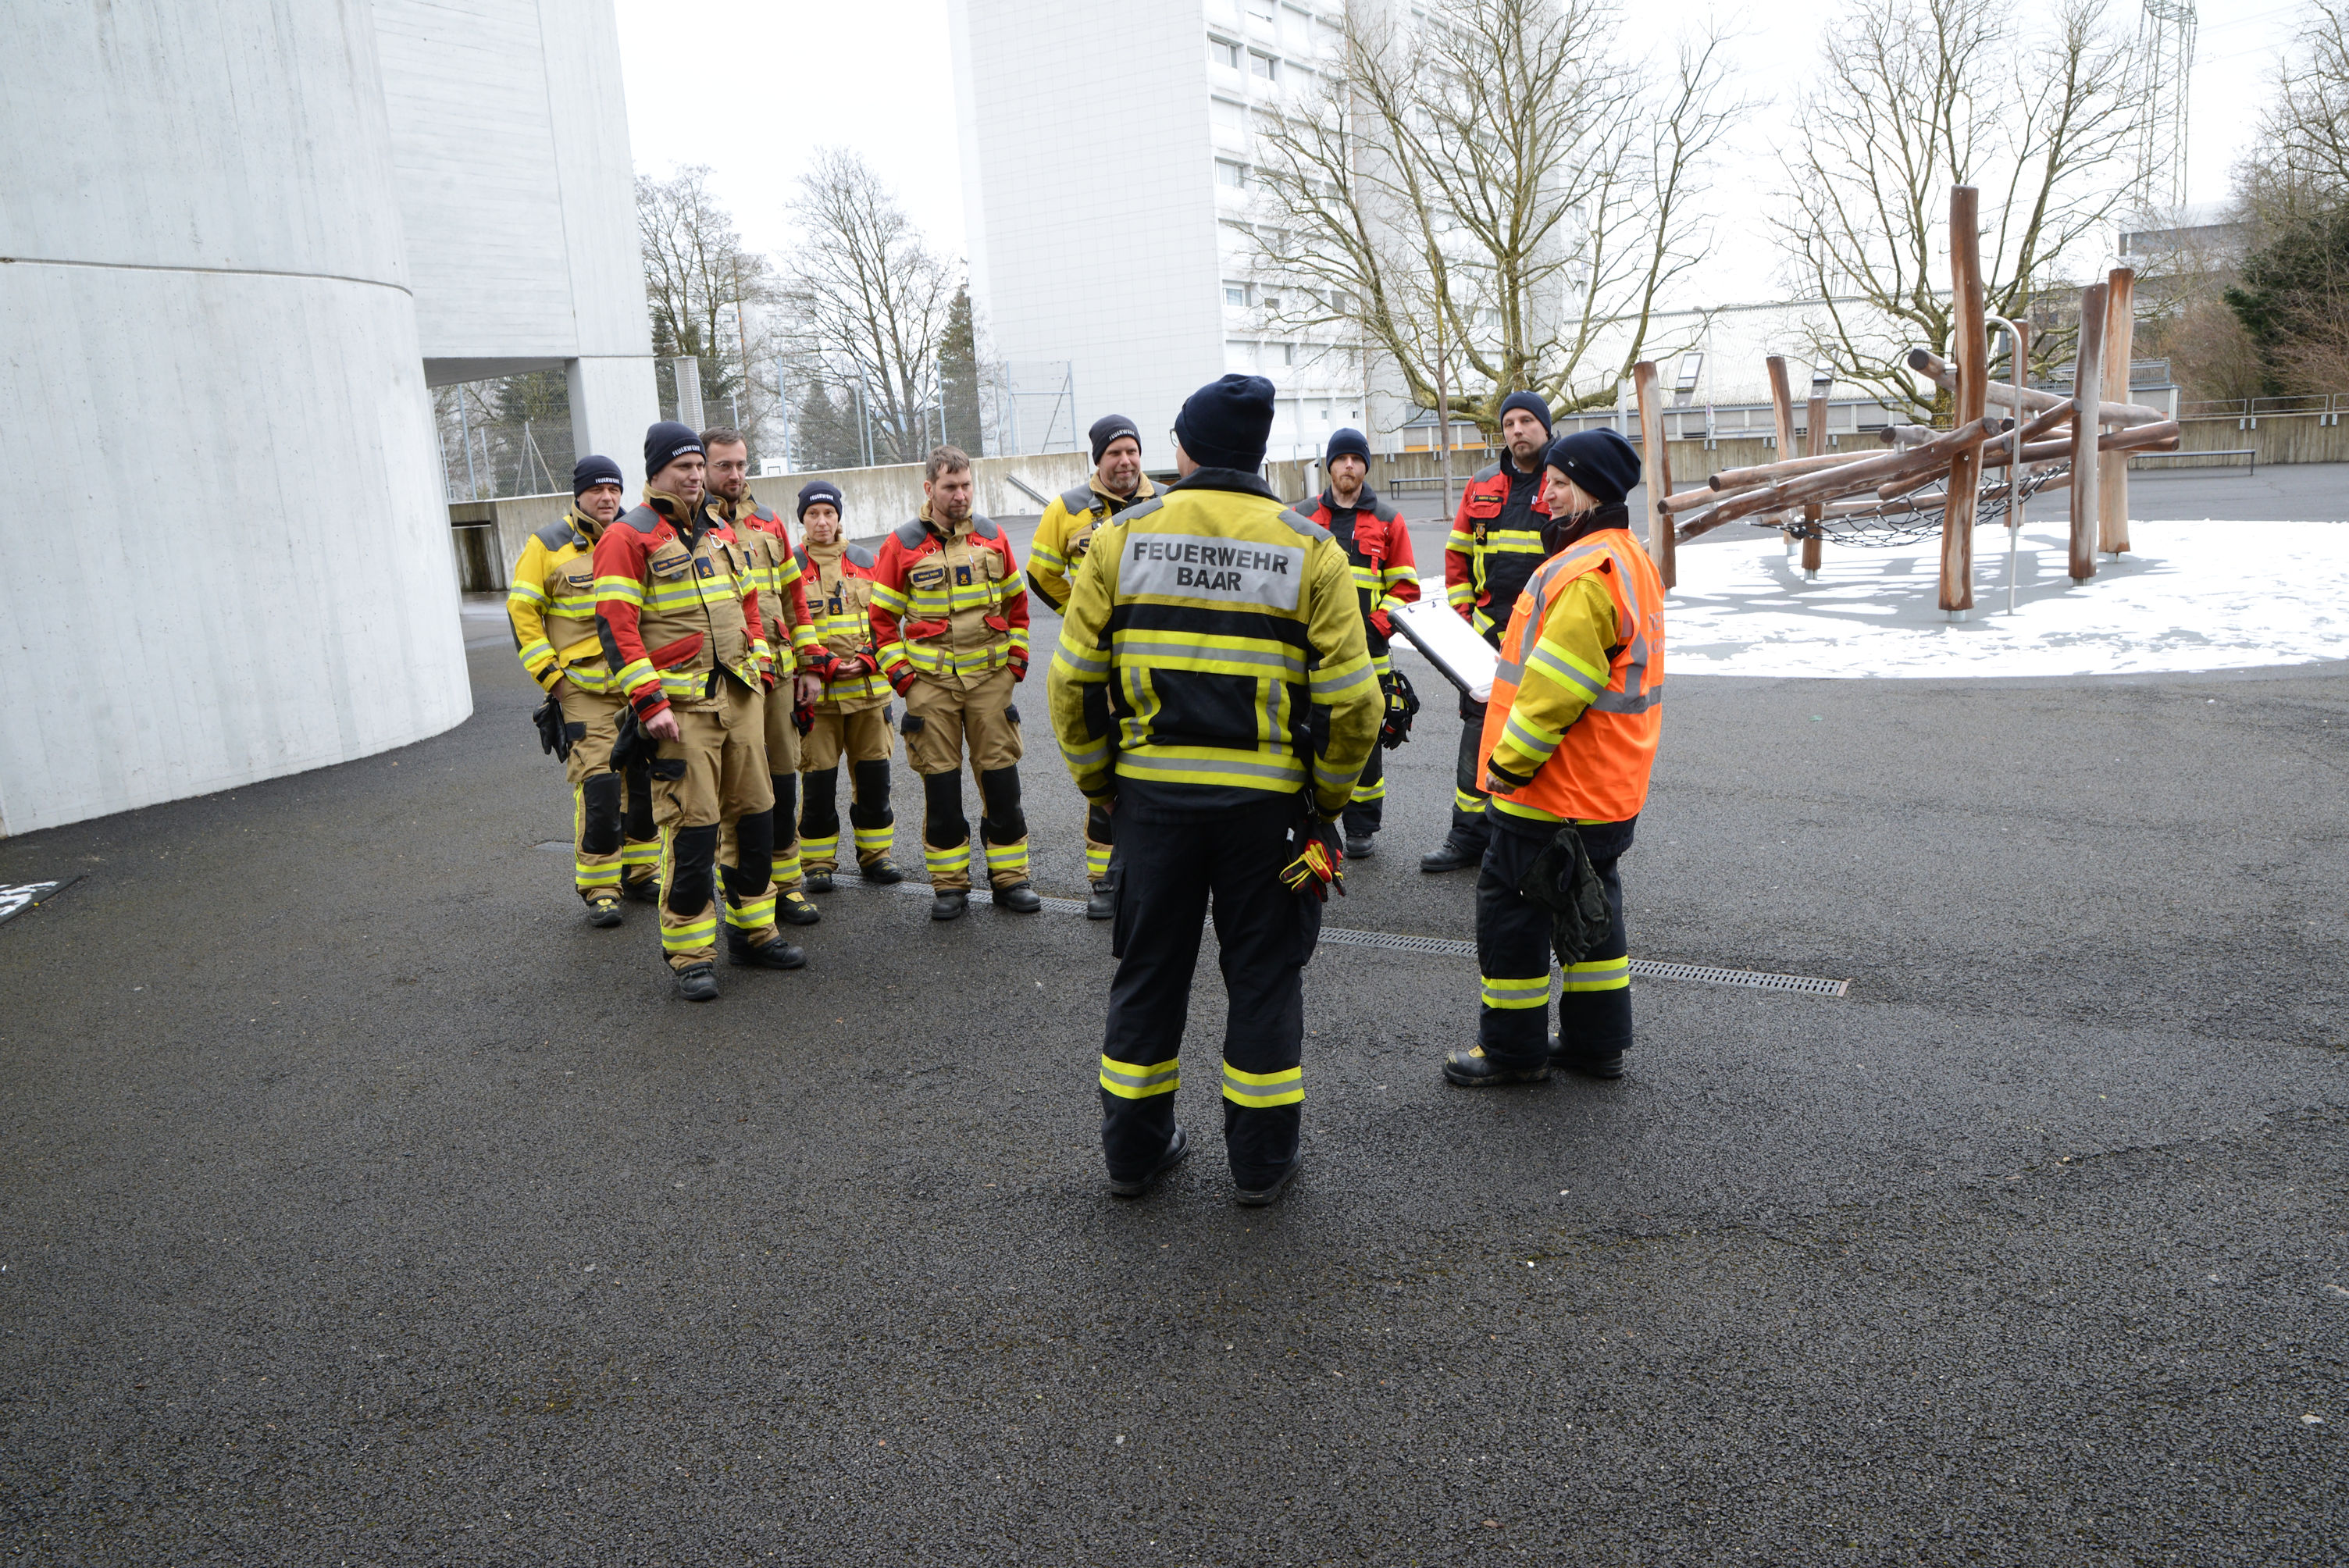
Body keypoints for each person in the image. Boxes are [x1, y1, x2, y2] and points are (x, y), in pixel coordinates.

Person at [1048, 373, 1381, 1206]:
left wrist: (1103, 786)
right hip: (1266, 816)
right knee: (1264, 978)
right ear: (1257, 452)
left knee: (1148, 974)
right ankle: (1260, 1165)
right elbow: (1355, 704)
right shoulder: (1309, 548)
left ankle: (1132, 1154)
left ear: (1185, 449)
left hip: (1151, 808)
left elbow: (1072, 685)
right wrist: (1327, 803)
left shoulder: (1120, 540)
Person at [1444, 427, 1659, 1088]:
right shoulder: (1626, 558)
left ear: (1590, 489)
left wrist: (1506, 767)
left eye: (1561, 484)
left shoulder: (1584, 572)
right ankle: (1597, 1043)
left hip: (1549, 787)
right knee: (1592, 904)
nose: (1548, 496)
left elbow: (1555, 690)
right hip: (1606, 786)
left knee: (1512, 907)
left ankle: (1512, 1051)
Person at [592, 421, 803, 1000]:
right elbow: (616, 625)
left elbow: (750, 603)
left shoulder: (719, 529)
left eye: (695, 467)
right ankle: (689, 953)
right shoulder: (627, 536)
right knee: (693, 828)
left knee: (757, 816)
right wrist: (648, 701)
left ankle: (755, 931)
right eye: (681, 467)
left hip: (740, 698)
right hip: (680, 711)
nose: (692, 476)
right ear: (656, 472)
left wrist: (758, 661)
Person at [868, 447, 1043, 921]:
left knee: (1002, 783)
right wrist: (906, 681)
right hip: (933, 686)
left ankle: (1011, 880)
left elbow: (1017, 609)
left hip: (991, 682)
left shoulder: (993, 537)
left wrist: (1016, 666)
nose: (961, 494)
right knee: (941, 790)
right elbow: (881, 620)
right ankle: (949, 886)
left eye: (966, 484)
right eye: (950, 487)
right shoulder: (901, 544)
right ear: (930, 489)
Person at [1028, 415, 1168, 921]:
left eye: (1131, 450)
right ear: (1098, 460)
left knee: (1159, 760)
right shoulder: (1065, 510)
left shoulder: (1170, 501)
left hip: (1160, 659)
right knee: (1105, 762)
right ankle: (1106, 878)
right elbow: (1042, 572)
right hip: (1101, 662)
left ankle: (1159, 869)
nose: (1125, 461)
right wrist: (1083, 617)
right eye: (1115, 453)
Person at [508, 454, 660, 921]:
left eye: (614, 489)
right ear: (579, 494)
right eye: (597, 490)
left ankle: (640, 872)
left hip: (635, 687)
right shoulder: (548, 544)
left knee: (644, 783)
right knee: (600, 785)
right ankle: (599, 887)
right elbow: (522, 613)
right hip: (582, 691)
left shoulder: (635, 537)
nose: (607, 497)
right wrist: (553, 679)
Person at [1423, 391, 1556, 874]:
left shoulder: (1563, 484)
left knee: (1542, 735)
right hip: (1485, 639)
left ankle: (1537, 839)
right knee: (1478, 738)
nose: (1517, 430)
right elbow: (1457, 556)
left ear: (1544, 427)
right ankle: (1468, 838)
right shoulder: (1481, 485)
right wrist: (1464, 614)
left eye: (1527, 421)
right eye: (1509, 423)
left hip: (1544, 640)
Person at [700, 426, 822, 928]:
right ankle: (749, 890)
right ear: (702, 468)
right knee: (740, 791)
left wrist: (811, 664)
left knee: (781, 778)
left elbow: (796, 600)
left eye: (741, 465)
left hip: (778, 669)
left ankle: (787, 885)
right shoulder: (694, 527)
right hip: (731, 678)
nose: (735, 475)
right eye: (723, 465)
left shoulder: (770, 522)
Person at [1292, 426, 1420, 860]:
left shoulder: (1388, 520)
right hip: (1309, 652)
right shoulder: (1301, 516)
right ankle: (1307, 817)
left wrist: (1373, 629)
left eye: (1356, 459)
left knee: (1362, 739)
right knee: (1306, 732)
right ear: (1329, 465)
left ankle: (1362, 825)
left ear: (1366, 465)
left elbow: (1404, 588)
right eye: (1341, 458)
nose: (1349, 465)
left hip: (1369, 654)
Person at [790, 479, 902, 890]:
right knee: (817, 784)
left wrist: (870, 659)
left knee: (874, 781)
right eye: (813, 514)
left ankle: (877, 857)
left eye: (829, 513)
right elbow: (786, 626)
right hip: (819, 700)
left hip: (869, 696)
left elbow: (889, 618)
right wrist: (830, 664)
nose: (822, 521)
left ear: (839, 517)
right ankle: (818, 863)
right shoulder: (792, 565)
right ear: (802, 518)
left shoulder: (867, 561)